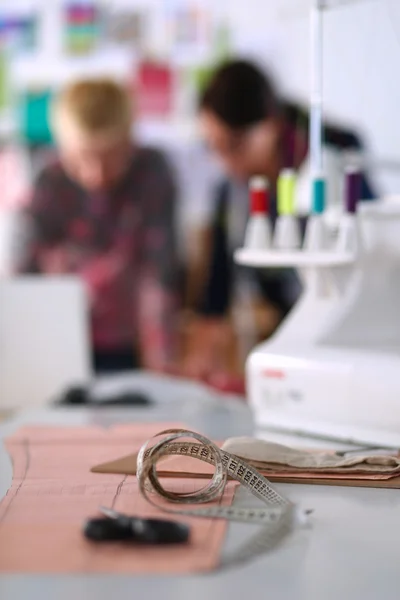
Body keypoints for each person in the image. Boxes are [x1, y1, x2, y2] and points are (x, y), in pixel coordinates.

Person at [187, 58, 376, 376]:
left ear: (272, 125)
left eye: (234, 145)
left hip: (348, 336)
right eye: (213, 147)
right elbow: (216, 285)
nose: (225, 162)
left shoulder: (334, 161)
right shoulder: (233, 191)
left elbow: (366, 250)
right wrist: (205, 352)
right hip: (288, 334)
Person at [16, 78, 180, 374]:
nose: (97, 174)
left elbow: (159, 275)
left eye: (111, 156)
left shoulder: (153, 173)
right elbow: (21, 281)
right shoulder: (47, 182)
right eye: (82, 158)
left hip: (130, 343)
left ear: (131, 140)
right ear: (61, 145)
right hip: (55, 342)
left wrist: (163, 361)